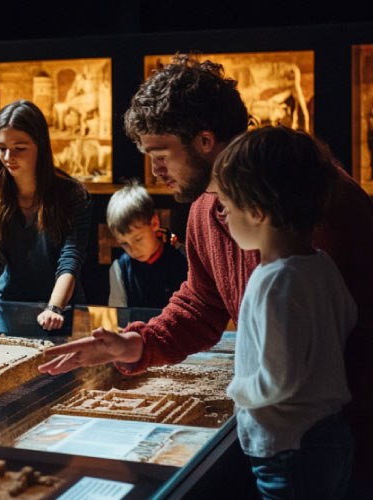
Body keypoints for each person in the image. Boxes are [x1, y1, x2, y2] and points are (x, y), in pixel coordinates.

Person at [38, 54, 373, 492]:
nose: (155, 172)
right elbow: (200, 305)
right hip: (286, 436)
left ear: (205, 140)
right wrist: (136, 345)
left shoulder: (324, 201)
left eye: (161, 155)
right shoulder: (202, 211)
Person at [213, 127, 355, 499]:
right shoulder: (320, 263)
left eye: (227, 207)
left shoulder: (274, 280)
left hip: (289, 447)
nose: (223, 219)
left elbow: (278, 380)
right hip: (326, 432)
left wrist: (235, 389)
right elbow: (348, 316)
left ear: (257, 211)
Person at [0, 100, 90, 331]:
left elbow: (71, 258)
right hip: (9, 309)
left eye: (20, 148)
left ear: (40, 146)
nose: (8, 156)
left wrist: (54, 309)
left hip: (61, 308)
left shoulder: (73, 194)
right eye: (2, 147)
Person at [106, 179, 187, 308]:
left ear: (154, 224)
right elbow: (119, 315)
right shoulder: (119, 269)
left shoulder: (183, 257)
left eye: (138, 239)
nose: (133, 250)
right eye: (124, 243)